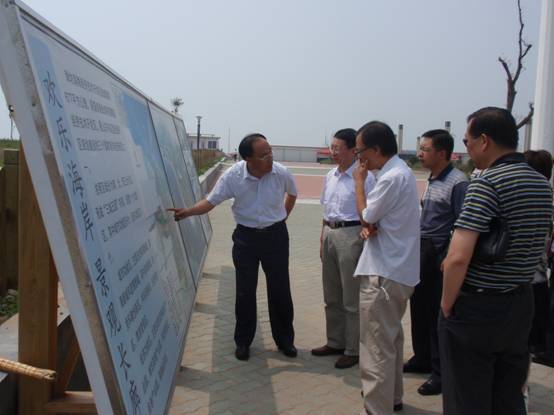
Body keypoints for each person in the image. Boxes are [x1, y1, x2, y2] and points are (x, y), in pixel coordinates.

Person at [439, 107, 553, 415]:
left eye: (468, 141)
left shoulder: (487, 183)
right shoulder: (541, 183)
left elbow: (457, 258)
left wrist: (447, 304)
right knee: (508, 396)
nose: (467, 148)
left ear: (485, 141)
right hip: (520, 302)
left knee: (467, 398)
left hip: (478, 307)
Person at [168, 133, 298, 361]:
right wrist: (188, 212)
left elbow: (293, 194)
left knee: (280, 289)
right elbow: (211, 201)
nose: (270, 157)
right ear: (248, 159)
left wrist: (282, 217)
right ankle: (243, 342)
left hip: (276, 237)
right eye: (263, 155)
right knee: (245, 291)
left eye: (270, 151)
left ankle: (285, 340)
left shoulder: (281, 172)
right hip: (246, 239)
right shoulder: (233, 176)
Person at [353, 121, 420, 414]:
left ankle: (376, 409)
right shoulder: (401, 173)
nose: (359, 159)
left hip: (384, 273)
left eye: (360, 152)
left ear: (376, 149)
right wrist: (372, 224)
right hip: (398, 271)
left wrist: (358, 182)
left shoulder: (391, 177)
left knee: (376, 347)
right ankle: (392, 398)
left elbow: (367, 215)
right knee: (390, 339)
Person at [404, 130, 468, 396]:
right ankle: (422, 358)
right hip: (423, 251)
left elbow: (463, 224)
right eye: (420, 148)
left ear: (442, 153)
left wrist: (447, 257)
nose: (420, 154)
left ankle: (440, 373)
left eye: (425, 149)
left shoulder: (458, 182)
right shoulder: (433, 178)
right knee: (418, 308)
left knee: (436, 315)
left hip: (439, 256)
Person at [311, 128, 375, 369]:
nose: (333, 152)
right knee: (332, 295)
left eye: (337, 148)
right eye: (332, 148)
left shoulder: (365, 178)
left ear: (352, 150)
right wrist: (322, 239)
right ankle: (335, 341)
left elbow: (371, 212)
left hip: (352, 235)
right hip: (330, 232)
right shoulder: (331, 175)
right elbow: (326, 210)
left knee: (351, 297)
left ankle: (353, 349)